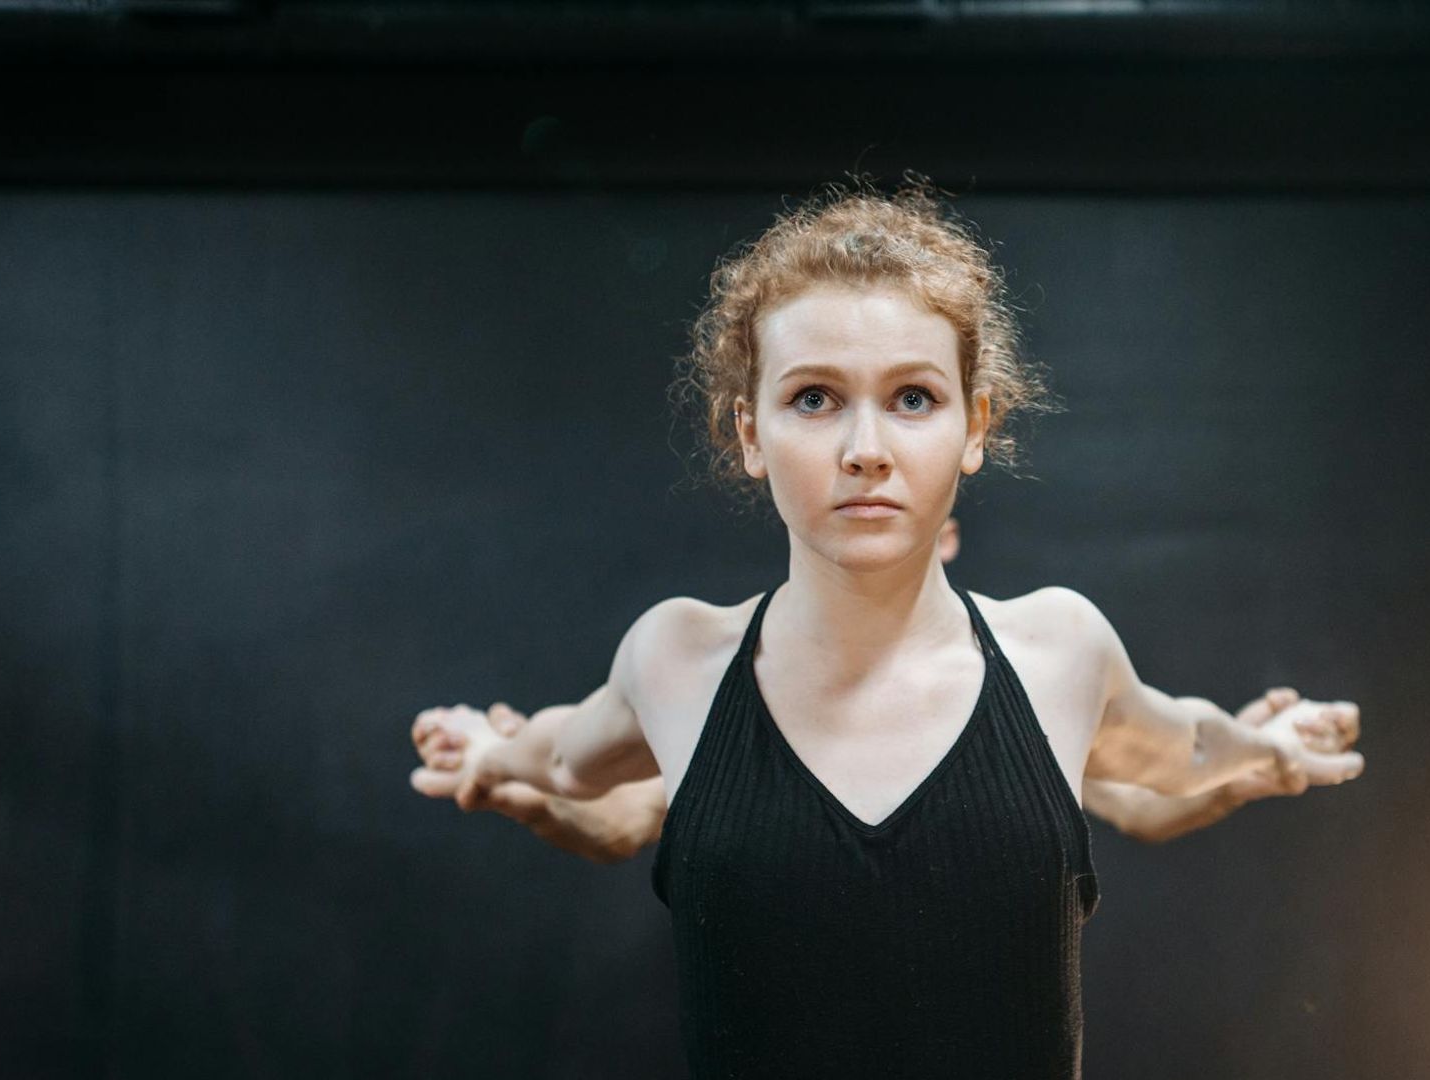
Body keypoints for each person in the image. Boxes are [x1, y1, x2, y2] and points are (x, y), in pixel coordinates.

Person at [407, 178, 1364, 1079]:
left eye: (913, 398)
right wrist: (494, 755)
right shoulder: (677, 658)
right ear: (749, 434)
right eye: (814, 399)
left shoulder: (1059, 650)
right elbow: (569, 761)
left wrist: (1264, 747)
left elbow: (1178, 750)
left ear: (976, 426)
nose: (866, 451)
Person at [410, 517, 1359, 861]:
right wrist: (504, 779)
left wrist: (1255, 761)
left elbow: (1149, 792)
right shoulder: (723, 687)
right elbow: (619, 817)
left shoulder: (1031, 682)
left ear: (948, 530)